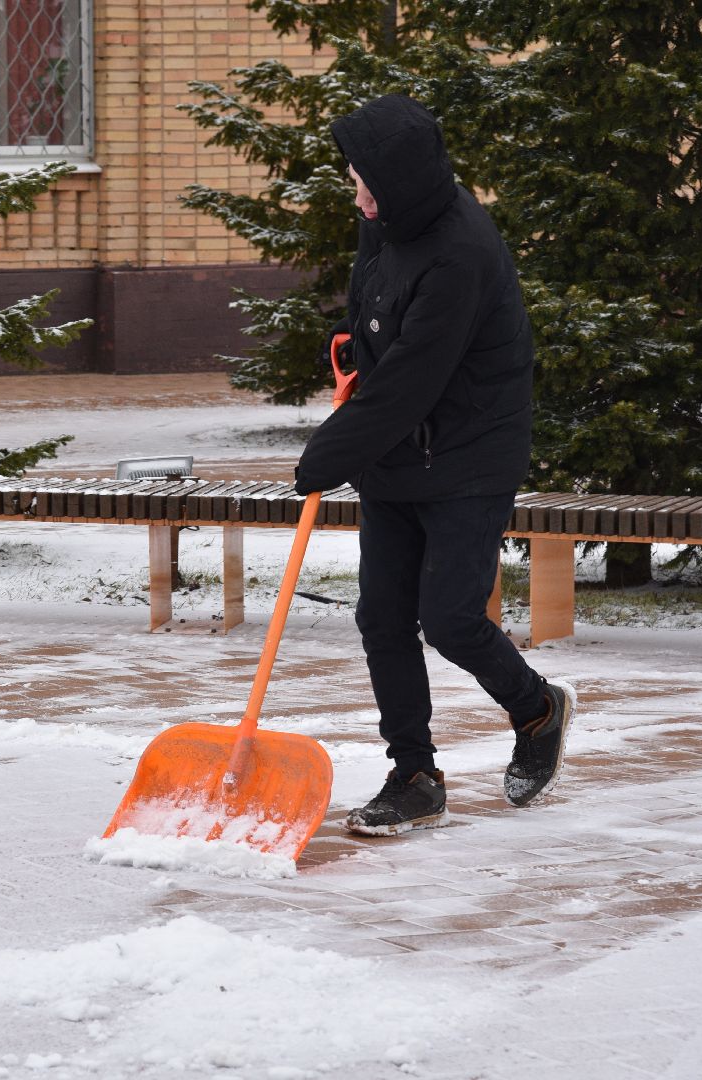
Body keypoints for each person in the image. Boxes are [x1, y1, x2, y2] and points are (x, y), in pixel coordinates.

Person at [293, 94, 575, 836]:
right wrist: (360, 340)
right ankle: (413, 774)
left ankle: (537, 708)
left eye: (364, 182)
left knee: (450, 617)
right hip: (397, 452)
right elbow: (374, 303)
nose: (357, 196)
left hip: (469, 452)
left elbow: (413, 381)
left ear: (402, 182)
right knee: (383, 616)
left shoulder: (461, 253)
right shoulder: (390, 217)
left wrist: (328, 453)